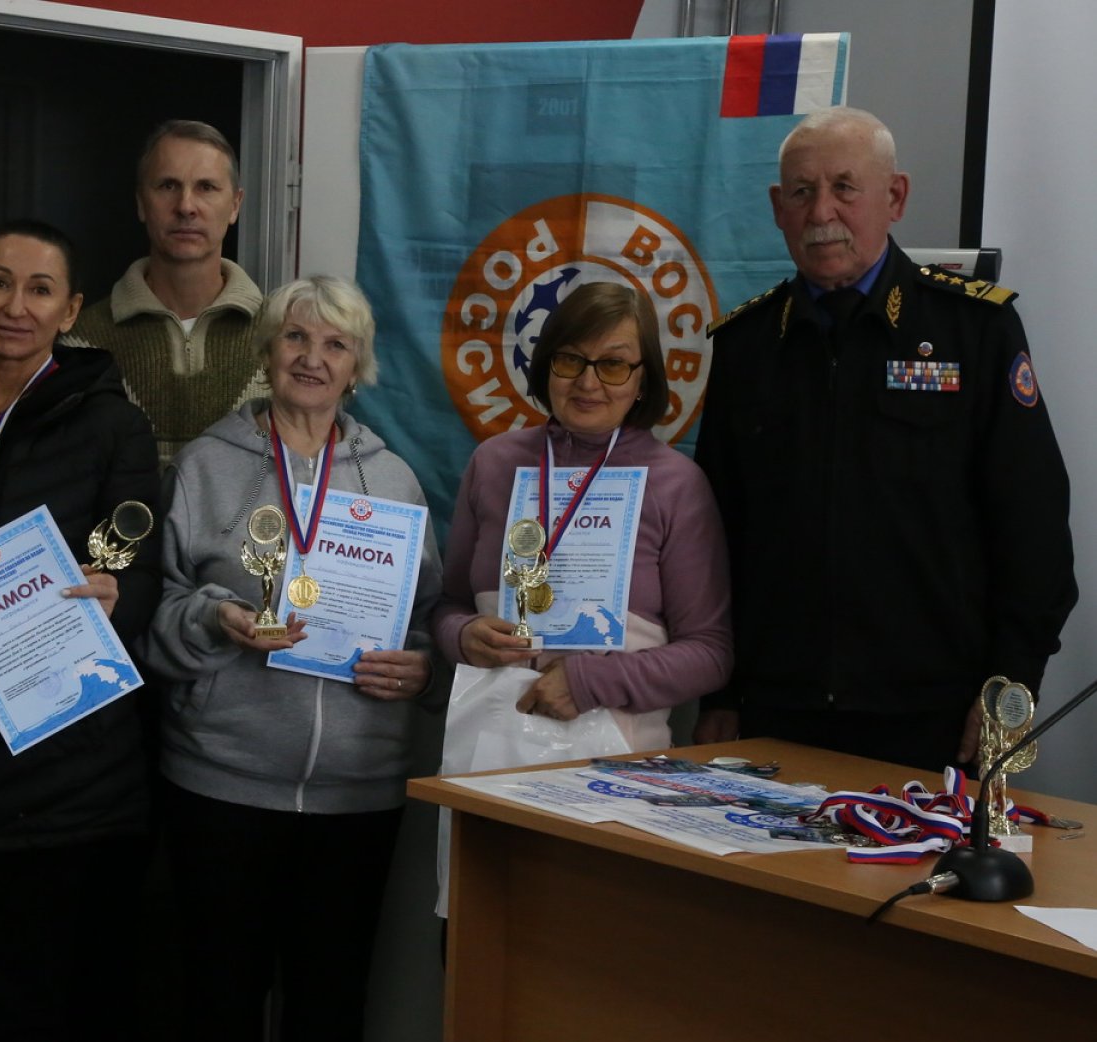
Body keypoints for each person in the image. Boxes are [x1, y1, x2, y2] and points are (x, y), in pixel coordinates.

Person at [694, 106, 1077, 773]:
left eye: (845, 187)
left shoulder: (973, 330)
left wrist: (1011, 681)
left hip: (935, 712)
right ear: (778, 208)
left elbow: (1033, 519)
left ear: (894, 197)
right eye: (802, 192)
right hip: (777, 707)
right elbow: (718, 535)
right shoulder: (747, 346)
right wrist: (720, 691)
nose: (822, 212)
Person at [146, 276, 441, 1042]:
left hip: (357, 794)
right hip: (222, 783)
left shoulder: (393, 480)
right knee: (219, 1006)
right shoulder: (207, 465)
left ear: (358, 366)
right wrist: (213, 619)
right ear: (267, 350)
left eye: (335, 344)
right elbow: (153, 618)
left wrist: (422, 670)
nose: (313, 358)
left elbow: (427, 622)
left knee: (331, 1009)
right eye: (295, 337)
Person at [0, 219, 160, 1042]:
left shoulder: (111, 425)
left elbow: (141, 573)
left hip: (64, 753)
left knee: (49, 1003)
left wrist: (117, 594)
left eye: (39, 289)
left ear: (71, 310)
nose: (14, 305)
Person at [433, 281, 733, 752]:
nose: (588, 383)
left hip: (615, 757)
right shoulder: (493, 463)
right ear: (547, 365)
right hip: (488, 745)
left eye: (613, 365)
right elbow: (449, 605)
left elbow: (710, 654)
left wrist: (591, 681)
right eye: (571, 359)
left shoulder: (676, 484)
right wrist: (462, 635)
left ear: (643, 380)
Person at [64, 119, 265, 468]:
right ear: (141, 203)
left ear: (235, 205)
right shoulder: (80, 344)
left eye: (206, 187)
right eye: (168, 185)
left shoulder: (284, 342)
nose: (186, 206)